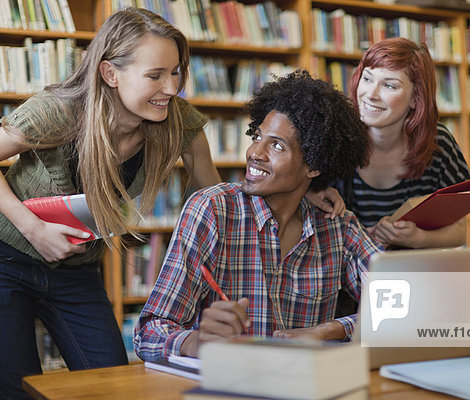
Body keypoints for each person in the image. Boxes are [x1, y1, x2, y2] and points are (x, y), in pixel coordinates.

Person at [0, 9, 340, 399]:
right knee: (17, 389)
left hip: (77, 271)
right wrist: (34, 228)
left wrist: (300, 188)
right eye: (156, 75)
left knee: (114, 385)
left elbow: (222, 199)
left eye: (176, 72)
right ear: (111, 74)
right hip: (7, 260)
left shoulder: (179, 121)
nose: (171, 87)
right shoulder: (57, 111)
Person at [133, 70, 382, 361]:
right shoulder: (212, 211)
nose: (254, 153)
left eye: (277, 145)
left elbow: (406, 305)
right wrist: (196, 342)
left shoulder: (338, 228)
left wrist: (332, 330)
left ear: (314, 167)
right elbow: (147, 333)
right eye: (258, 137)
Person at [334, 38, 470, 250]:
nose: (371, 94)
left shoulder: (438, 144)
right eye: (367, 79)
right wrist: (360, 237)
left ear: (416, 98)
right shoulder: (336, 140)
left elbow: (459, 231)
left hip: (416, 273)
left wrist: (418, 238)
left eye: (389, 85)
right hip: (350, 277)